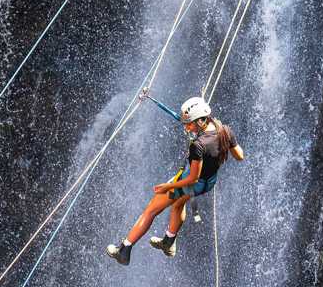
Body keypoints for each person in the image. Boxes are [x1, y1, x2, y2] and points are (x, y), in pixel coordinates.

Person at [105, 96, 245, 265]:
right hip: (208, 183)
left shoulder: (198, 145)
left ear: (201, 121)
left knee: (151, 210)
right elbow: (240, 156)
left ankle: (124, 250)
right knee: (178, 204)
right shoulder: (224, 131)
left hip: (192, 183)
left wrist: (167, 186)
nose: (186, 127)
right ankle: (168, 241)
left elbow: (192, 178)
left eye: (189, 124)